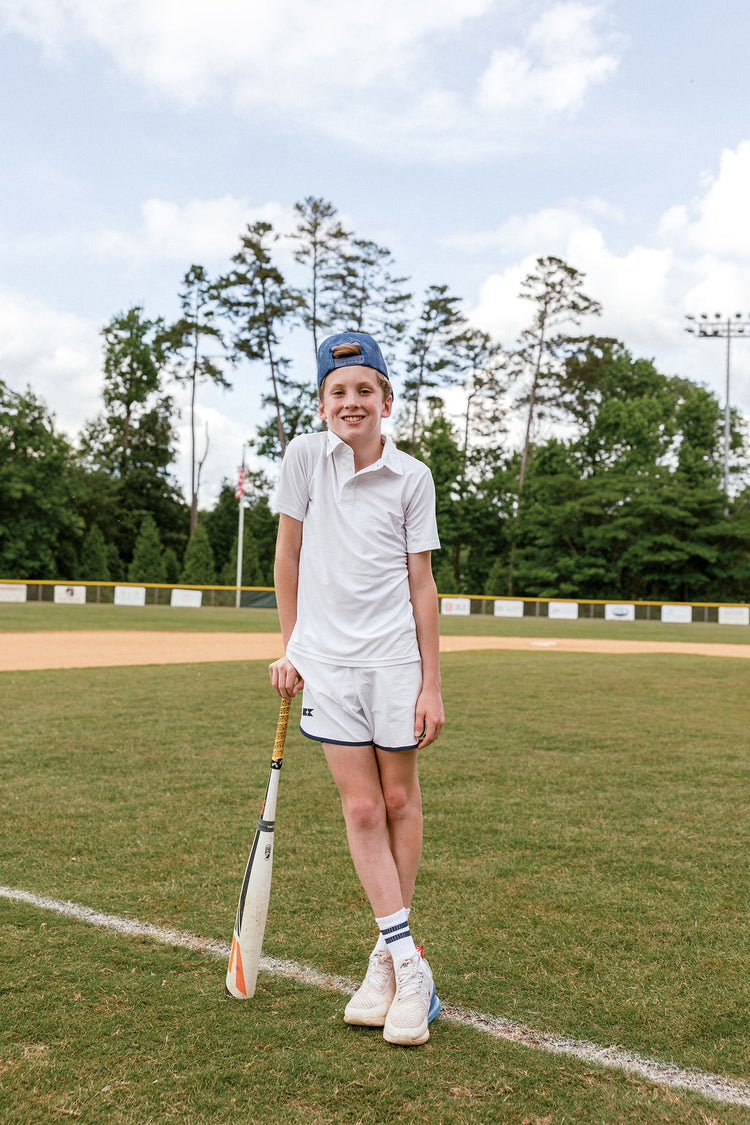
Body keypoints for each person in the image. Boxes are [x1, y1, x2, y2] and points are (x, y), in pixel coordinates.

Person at [268, 330, 445, 1046]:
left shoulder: (413, 477)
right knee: (363, 806)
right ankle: (408, 962)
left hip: (396, 663)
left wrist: (432, 684)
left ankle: (386, 958)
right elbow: (287, 554)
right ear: (322, 404)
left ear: (386, 401)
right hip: (331, 668)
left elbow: (423, 584)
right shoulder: (304, 459)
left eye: (364, 390)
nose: (351, 402)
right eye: (337, 392)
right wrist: (291, 647)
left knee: (399, 801)